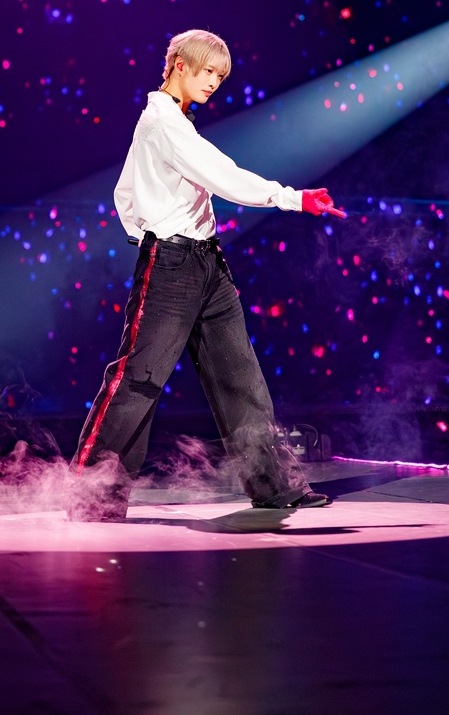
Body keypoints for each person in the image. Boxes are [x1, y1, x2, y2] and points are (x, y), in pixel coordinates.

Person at [68, 29, 345, 521]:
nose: (215, 82)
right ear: (180, 64)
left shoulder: (174, 122)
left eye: (221, 75)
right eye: (209, 71)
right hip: (172, 266)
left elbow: (124, 193)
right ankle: (92, 495)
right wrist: (291, 198)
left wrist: (143, 228)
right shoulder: (163, 124)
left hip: (207, 265)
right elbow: (223, 175)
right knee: (138, 380)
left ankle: (274, 487)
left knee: (241, 379)